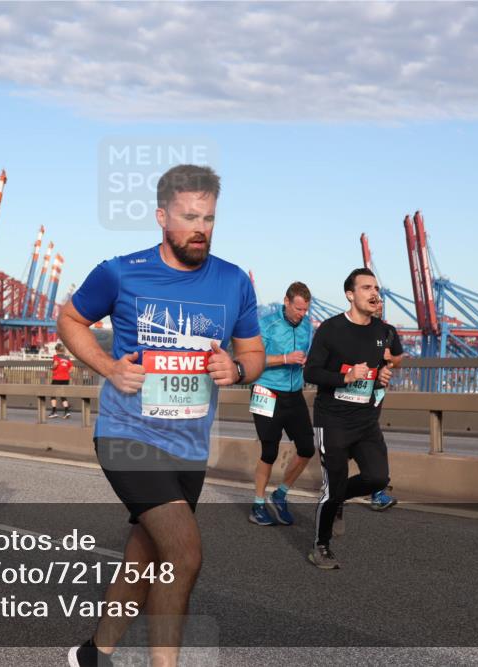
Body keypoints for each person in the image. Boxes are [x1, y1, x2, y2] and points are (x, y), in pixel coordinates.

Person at [59, 164, 264, 667]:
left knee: (144, 557)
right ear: (161, 217)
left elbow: (254, 354)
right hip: (127, 435)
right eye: (189, 217)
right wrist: (109, 367)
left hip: (189, 446)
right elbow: (69, 318)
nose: (201, 228)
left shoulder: (235, 281)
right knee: (184, 555)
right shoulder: (121, 271)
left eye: (209, 218)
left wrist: (235, 368)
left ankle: (94, 653)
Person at [303, 268, 399, 570]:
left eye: (376, 288)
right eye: (366, 288)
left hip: (366, 418)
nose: (374, 293)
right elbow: (311, 372)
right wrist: (345, 376)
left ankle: (338, 499)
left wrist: (383, 375)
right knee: (334, 483)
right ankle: (321, 544)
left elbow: (386, 360)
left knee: (377, 478)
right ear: (350, 294)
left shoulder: (384, 332)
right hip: (332, 419)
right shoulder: (331, 329)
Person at [248, 281, 315, 526]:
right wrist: (285, 358)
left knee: (308, 448)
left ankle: (281, 493)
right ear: (286, 301)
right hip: (266, 390)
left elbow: (308, 354)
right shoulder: (266, 324)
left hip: (294, 393)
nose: (302, 315)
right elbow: (253, 359)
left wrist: (306, 361)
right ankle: (257, 505)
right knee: (270, 451)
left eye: (305, 310)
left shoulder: (307, 326)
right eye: (298, 309)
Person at [370, 297, 404, 511]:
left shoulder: (389, 331)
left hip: (375, 394)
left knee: (375, 443)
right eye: (375, 302)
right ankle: (334, 490)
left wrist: (390, 358)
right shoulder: (350, 330)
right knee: (343, 444)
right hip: (348, 393)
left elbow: (399, 358)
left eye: (381, 302)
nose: (379, 305)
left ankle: (378, 492)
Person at [48, 342, 74, 419]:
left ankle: (54, 412)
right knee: (63, 395)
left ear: (56, 350)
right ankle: (67, 411)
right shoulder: (67, 358)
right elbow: (72, 369)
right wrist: (66, 372)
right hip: (66, 379)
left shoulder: (56, 356)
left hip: (57, 378)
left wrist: (52, 368)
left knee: (53, 394)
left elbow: (55, 364)